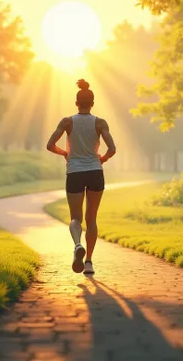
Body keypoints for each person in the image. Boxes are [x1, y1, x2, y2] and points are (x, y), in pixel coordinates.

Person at [46, 79, 116, 275]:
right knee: (91, 218)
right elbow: (112, 149)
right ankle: (89, 263)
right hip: (95, 172)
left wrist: (64, 153)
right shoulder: (100, 123)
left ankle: (77, 244)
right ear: (92, 103)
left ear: (76, 103)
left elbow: (50, 145)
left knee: (76, 218)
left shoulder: (67, 122)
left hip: (75, 172)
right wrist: (101, 159)